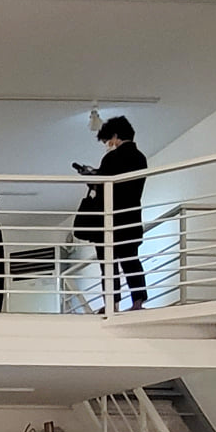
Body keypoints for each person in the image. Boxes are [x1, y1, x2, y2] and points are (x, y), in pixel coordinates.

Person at [72, 115, 148, 311]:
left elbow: (104, 185)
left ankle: (112, 305)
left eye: (107, 141)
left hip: (107, 220)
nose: (108, 145)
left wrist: (92, 176)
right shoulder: (141, 158)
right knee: (131, 260)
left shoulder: (112, 158)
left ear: (115, 136)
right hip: (130, 218)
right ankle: (138, 302)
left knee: (108, 264)